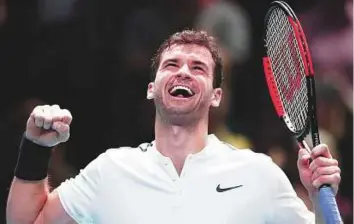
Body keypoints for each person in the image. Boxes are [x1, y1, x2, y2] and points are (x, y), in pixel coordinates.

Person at [6, 30, 341, 223]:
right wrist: (36, 147)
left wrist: (317, 194)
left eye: (198, 67)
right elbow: (27, 222)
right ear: (152, 88)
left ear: (216, 96)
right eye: (171, 64)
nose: (183, 72)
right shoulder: (111, 170)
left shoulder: (258, 173)